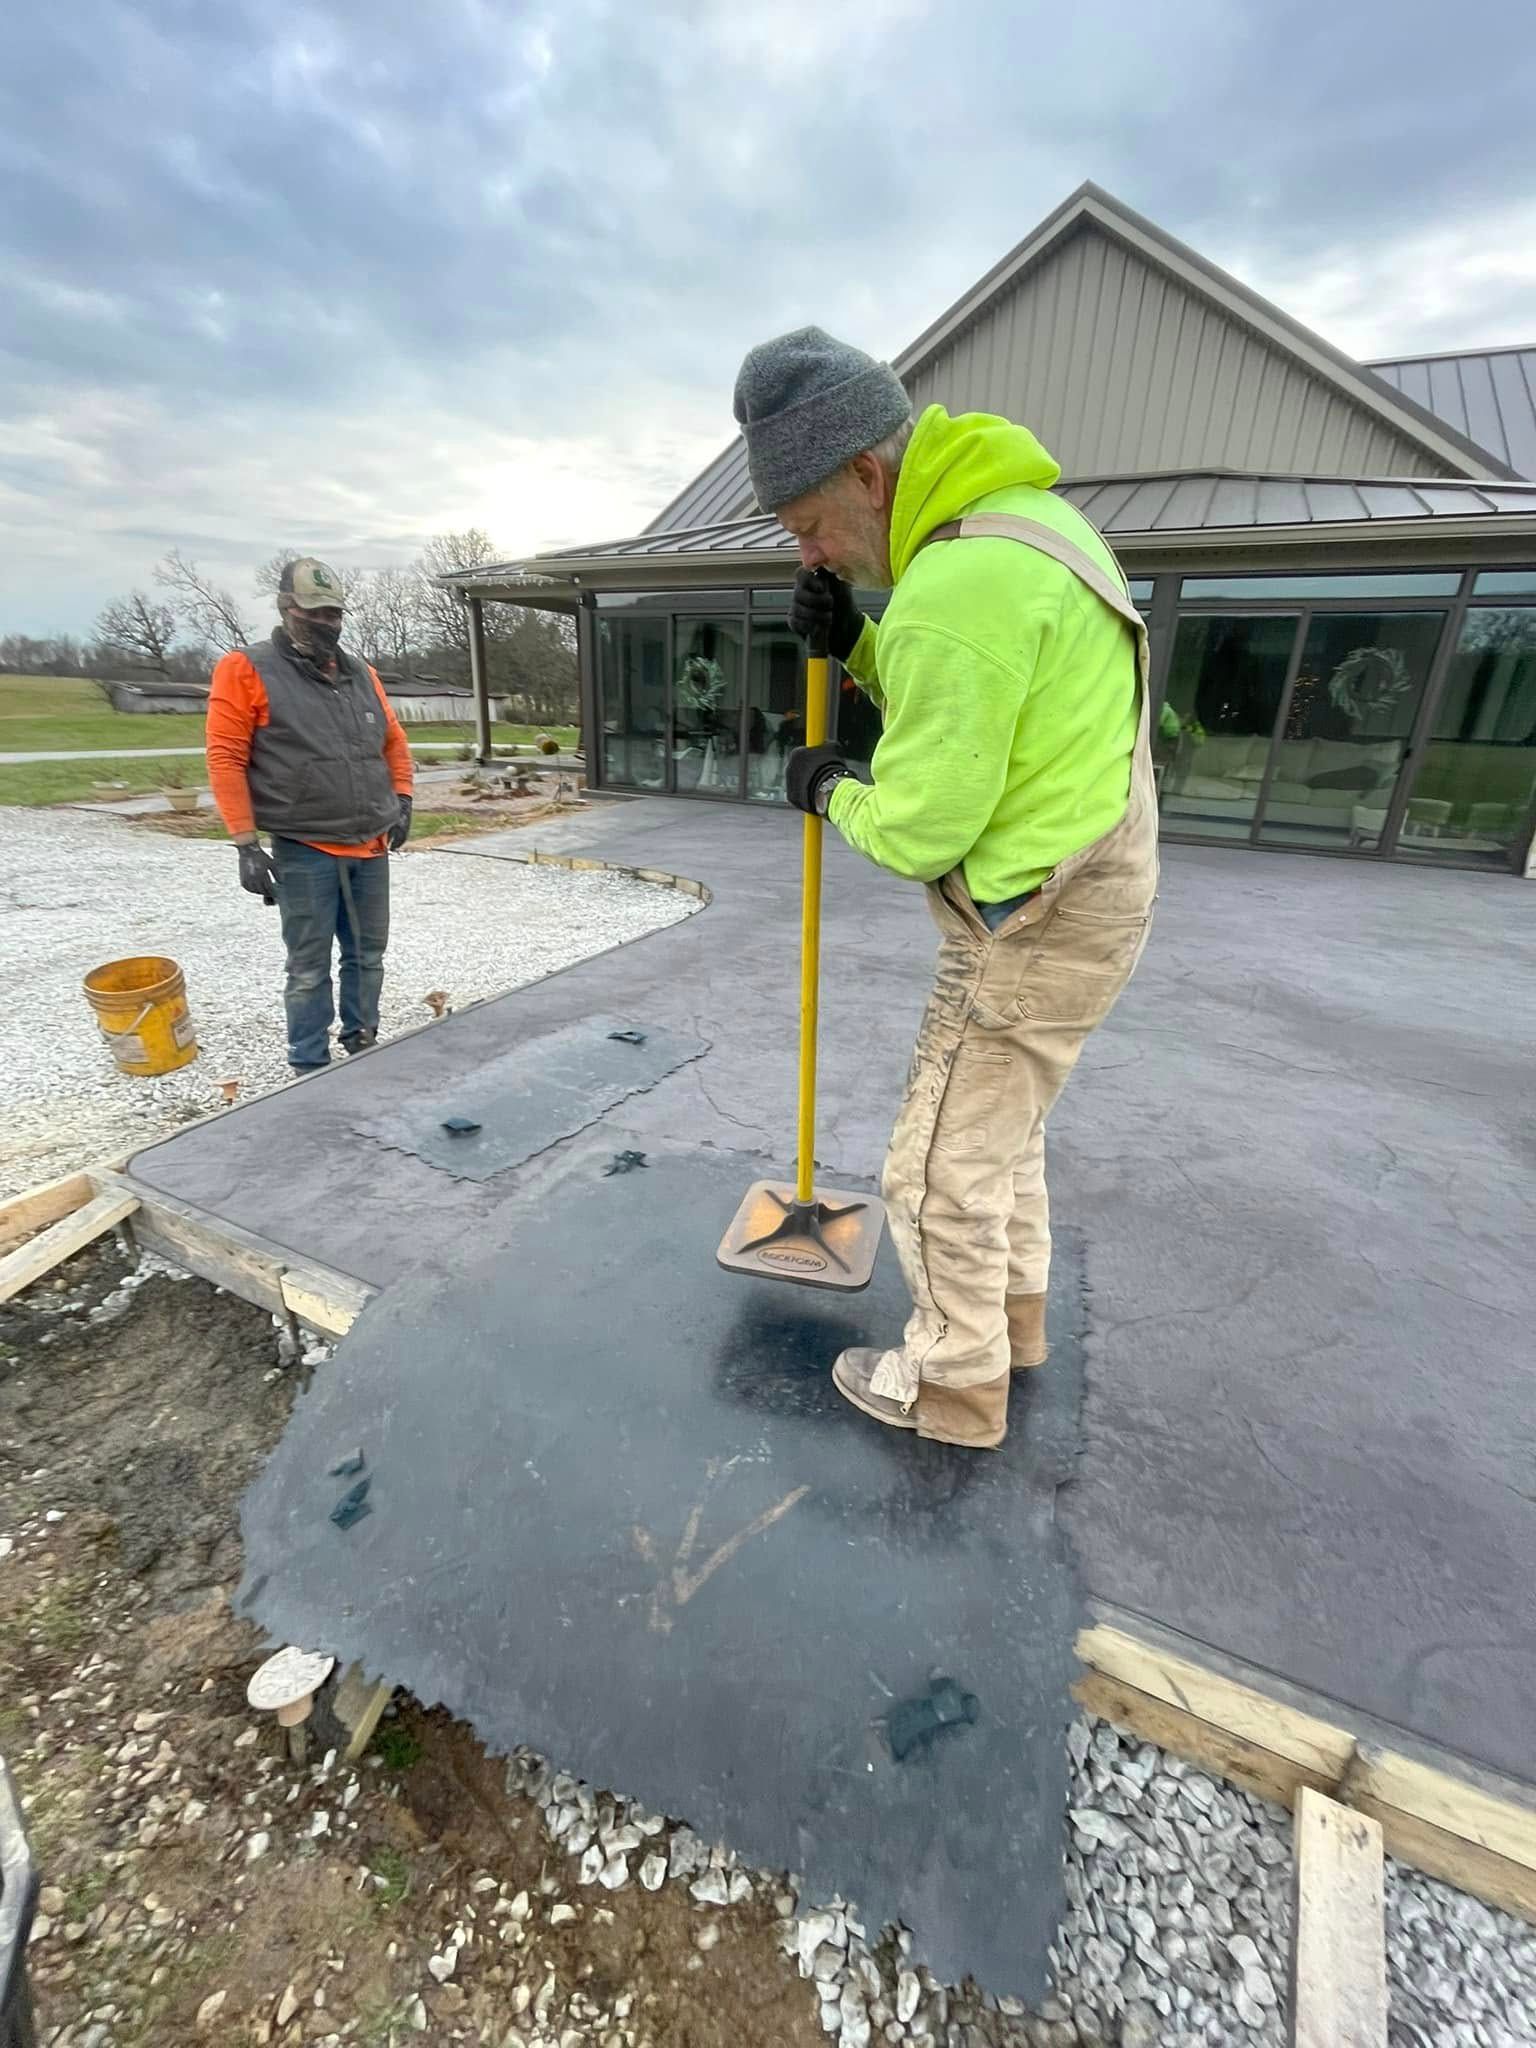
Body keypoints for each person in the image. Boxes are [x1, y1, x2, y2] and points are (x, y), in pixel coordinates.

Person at [733, 328, 1158, 1451]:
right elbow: (978, 707)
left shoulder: (953, 589)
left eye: (812, 528)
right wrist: (863, 649)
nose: (815, 556)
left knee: (931, 1169)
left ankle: (950, 1386)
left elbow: (922, 825)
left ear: (868, 477)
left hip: (1031, 924)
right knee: (1002, 1143)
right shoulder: (1030, 526)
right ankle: (1013, 1331)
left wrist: (829, 786)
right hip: (1094, 894)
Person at [206, 557, 415, 1073]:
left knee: (368, 956)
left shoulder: (361, 674)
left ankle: (362, 1037)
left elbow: (393, 741)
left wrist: (404, 798)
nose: (326, 623)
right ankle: (308, 1063)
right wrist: (245, 844)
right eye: (314, 612)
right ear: (285, 607)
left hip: (371, 844)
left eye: (335, 614)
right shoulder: (246, 669)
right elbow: (225, 758)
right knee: (307, 966)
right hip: (305, 849)